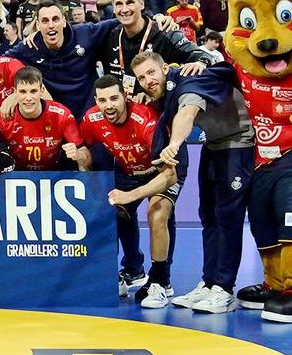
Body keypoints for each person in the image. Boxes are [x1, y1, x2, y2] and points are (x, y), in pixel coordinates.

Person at [134, 53, 255, 314]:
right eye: (141, 77)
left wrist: (174, 144)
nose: (147, 80)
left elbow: (187, 114)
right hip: (214, 143)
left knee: (228, 218)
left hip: (239, 143)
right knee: (209, 216)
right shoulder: (167, 91)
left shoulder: (189, 82)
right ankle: (209, 282)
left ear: (165, 67)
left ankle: (224, 289)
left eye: (151, 72)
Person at [77, 74, 178, 306]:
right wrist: (87, 183)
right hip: (126, 171)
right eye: (102, 100)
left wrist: (132, 195)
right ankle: (130, 271)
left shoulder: (145, 119)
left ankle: (161, 282)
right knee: (112, 213)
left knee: (158, 213)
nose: (109, 105)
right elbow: (85, 154)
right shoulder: (92, 119)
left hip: (160, 171)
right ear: (95, 101)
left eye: (114, 98)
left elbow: (169, 174)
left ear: (125, 96)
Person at [0, 66, 88, 170]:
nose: (28, 98)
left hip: (55, 173)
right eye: (23, 92)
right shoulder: (3, 118)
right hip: (15, 175)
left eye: (33, 91)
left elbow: (87, 157)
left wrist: (78, 155)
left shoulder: (61, 115)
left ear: (42, 90)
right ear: (15, 91)